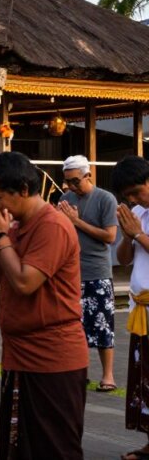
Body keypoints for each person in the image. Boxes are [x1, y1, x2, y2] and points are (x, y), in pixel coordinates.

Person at [0, 151, 87, 460]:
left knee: (54, 449)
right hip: (18, 356)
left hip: (53, 359)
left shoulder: (52, 225)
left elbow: (25, 282)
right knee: (17, 448)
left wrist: (0, 236)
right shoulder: (12, 227)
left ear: (23, 189)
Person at [58, 154, 118, 392]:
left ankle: (108, 375)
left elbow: (110, 237)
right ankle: (78, 372)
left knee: (103, 325)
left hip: (98, 271)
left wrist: (76, 221)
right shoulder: (65, 199)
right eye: (67, 182)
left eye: (75, 181)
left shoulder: (105, 199)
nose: (71, 187)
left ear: (88, 176)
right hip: (72, 272)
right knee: (73, 327)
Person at [111, 156, 149, 460]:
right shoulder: (136, 213)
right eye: (128, 197)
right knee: (143, 377)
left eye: (137, 192)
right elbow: (124, 259)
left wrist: (138, 233)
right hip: (141, 310)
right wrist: (127, 236)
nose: (134, 200)